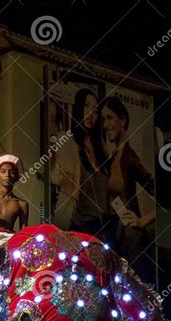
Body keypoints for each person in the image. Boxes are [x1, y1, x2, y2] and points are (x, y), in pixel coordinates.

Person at [100, 96, 155, 273]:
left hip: (131, 238)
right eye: (103, 119)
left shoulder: (129, 157)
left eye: (110, 118)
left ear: (122, 120)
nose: (105, 124)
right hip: (114, 235)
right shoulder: (114, 156)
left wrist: (142, 220)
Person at [51, 88, 110, 240]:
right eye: (86, 106)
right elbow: (56, 177)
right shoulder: (68, 143)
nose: (91, 113)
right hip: (77, 224)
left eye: (95, 110)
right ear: (78, 108)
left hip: (102, 226)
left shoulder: (101, 146)